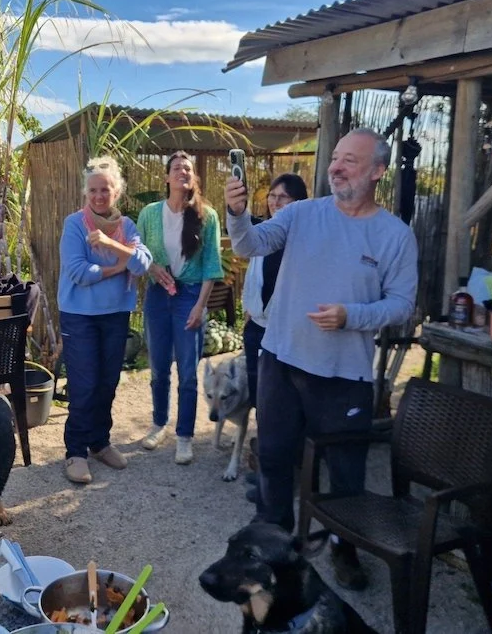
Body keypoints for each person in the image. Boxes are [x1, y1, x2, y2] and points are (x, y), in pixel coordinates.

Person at [225, 128, 418, 591]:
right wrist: (237, 214)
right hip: (281, 360)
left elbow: (401, 305)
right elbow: (249, 244)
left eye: (350, 160)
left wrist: (352, 315)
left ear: (377, 171)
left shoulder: (394, 235)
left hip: (342, 376)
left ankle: (344, 548)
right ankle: (273, 540)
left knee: (346, 470)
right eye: (335, 158)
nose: (336, 166)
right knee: (272, 458)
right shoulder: (302, 214)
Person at [58, 155, 152, 484]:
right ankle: (75, 451)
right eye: (94, 190)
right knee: (84, 386)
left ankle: (99, 442)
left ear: (117, 192)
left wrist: (113, 244)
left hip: (114, 316)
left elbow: (143, 263)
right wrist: (118, 266)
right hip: (80, 317)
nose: (100, 195)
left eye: (106, 189)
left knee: (107, 383)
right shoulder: (74, 224)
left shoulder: (126, 227)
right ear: (86, 192)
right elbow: (79, 272)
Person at [137, 151, 224, 466]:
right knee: (159, 367)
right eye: (176, 168)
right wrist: (152, 268)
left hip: (190, 296)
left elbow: (212, 265)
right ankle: (160, 424)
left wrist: (200, 307)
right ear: (167, 177)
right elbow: (139, 252)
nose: (182, 172)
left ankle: (184, 436)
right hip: (158, 296)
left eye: (188, 168)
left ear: (193, 178)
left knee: (187, 372)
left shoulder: (207, 216)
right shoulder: (149, 213)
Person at [240, 173, 308, 412]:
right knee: (257, 388)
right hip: (257, 326)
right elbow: (253, 277)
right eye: (272, 196)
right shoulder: (261, 233)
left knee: (281, 394)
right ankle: (261, 441)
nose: (275, 202)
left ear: (298, 202)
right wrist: (248, 313)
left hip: (287, 330)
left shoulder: (303, 239)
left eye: (283, 197)